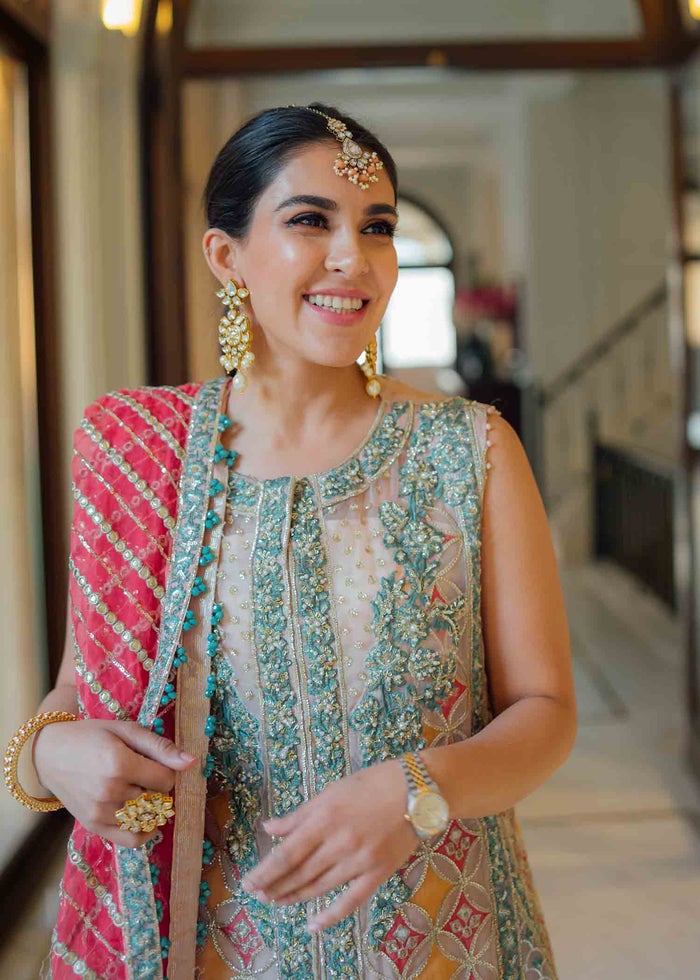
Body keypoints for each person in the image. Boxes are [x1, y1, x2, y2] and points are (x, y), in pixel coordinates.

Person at [4, 103, 576, 980]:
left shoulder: (472, 450)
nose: (353, 256)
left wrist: (418, 789)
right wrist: (49, 755)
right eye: (311, 220)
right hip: (212, 948)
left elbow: (546, 711)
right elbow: (78, 693)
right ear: (225, 256)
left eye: (377, 227)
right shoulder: (135, 452)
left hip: (444, 937)